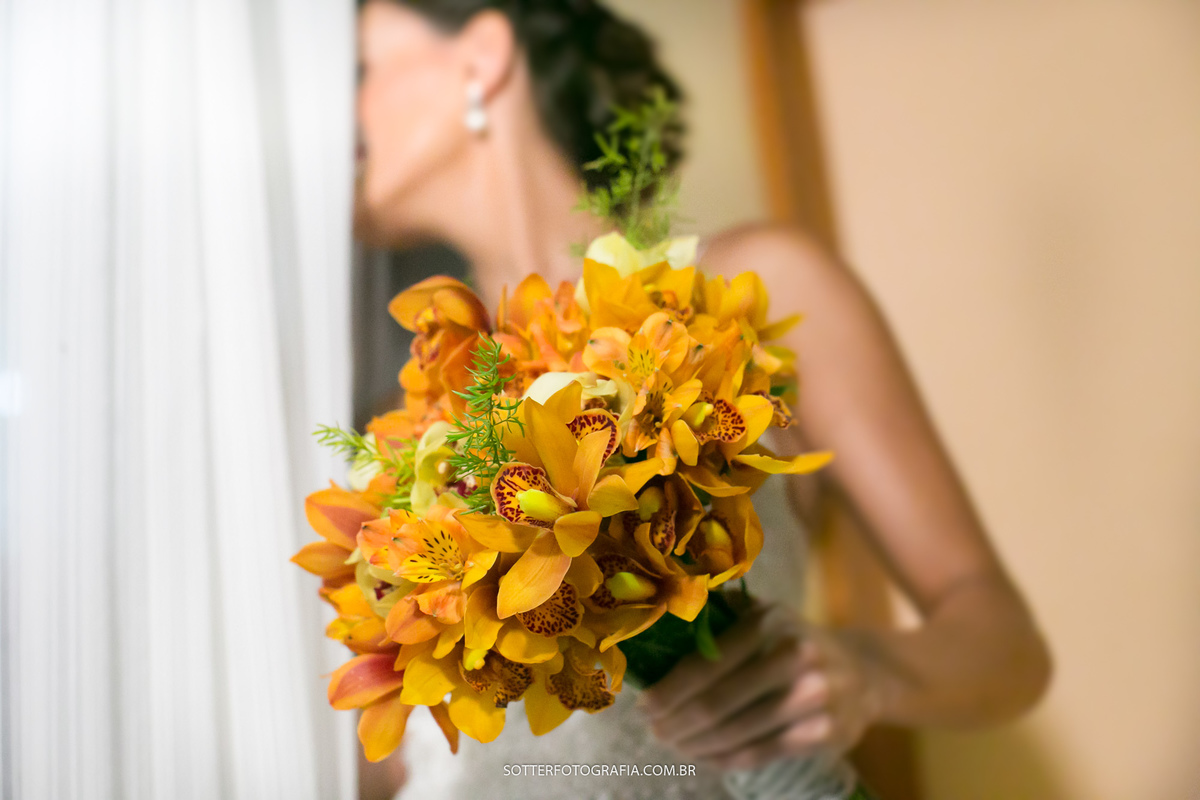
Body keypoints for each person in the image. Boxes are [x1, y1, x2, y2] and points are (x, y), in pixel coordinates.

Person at [352, 1, 1052, 798]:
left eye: (357, 71)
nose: (321, 116)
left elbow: (1008, 651)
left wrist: (863, 670)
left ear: (481, 54)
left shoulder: (754, 298)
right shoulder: (404, 442)